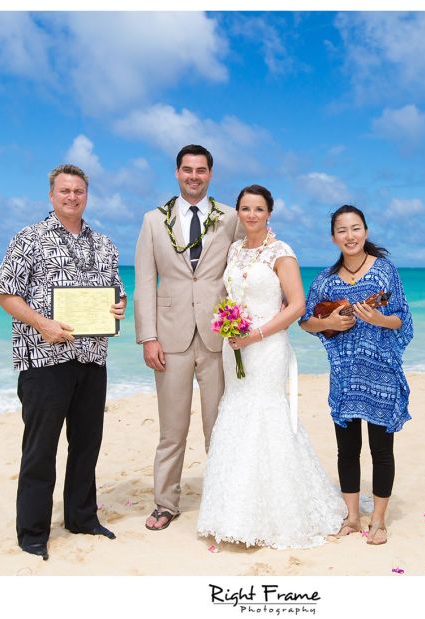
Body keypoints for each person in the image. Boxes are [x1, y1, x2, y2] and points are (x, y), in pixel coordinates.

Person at [0, 164, 127, 560]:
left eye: (78, 191)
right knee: (40, 448)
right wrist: (42, 323)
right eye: (65, 190)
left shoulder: (104, 244)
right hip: (44, 358)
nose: (72, 197)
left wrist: (119, 305)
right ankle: (33, 532)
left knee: (86, 444)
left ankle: (82, 518)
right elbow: (2, 292)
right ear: (52, 195)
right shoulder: (29, 238)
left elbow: (116, 293)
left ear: (87, 195)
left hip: (92, 357)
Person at [196, 185, 346, 549]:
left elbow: (296, 306)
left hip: (266, 346)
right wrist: (230, 326)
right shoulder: (235, 250)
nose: (252, 215)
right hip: (235, 347)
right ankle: (234, 512)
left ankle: (278, 512)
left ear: (269, 213)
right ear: (238, 212)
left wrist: (256, 335)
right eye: (246, 209)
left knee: (266, 415)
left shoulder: (282, 252)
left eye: (259, 209)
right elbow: (231, 296)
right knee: (237, 412)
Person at [133, 145, 242, 531]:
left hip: (219, 337)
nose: (194, 176)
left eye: (201, 170)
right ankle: (166, 503)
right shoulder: (152, 221)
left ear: (210, 174)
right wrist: (148, 336)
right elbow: (145, 281)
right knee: (172, 430)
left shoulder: (230, 217)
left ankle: (223, 501)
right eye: (187, 169)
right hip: (169, 337)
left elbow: (246, 265)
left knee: (219, 426)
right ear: (177, 173)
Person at [299, 205, 413, 546]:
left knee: (381, 450)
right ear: (333, 237)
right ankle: (352, 517)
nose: (350, 236)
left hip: (380, 372)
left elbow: (401, 317)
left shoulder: (384, 271)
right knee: (347, 450)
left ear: (365, 231)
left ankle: (378, 519)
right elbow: (306, 321)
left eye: (355, 228)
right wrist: (329, 322)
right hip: (345, 375)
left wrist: (380, 319)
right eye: (342, 230)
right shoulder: (326, 279)